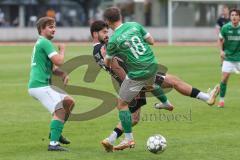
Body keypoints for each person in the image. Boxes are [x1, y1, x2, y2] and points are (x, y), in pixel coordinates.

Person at [101, 7, 220, 151]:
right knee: (166, 82)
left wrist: (110, 53)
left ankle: (128, 139)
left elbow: (108, 64)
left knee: (122, 104)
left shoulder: (113, 40)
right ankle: (200, 98)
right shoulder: (134, 25)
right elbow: (151, 41)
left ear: (107, 21)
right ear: (120, 16)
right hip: (152, 65)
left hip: (137, 73)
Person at [28, 17, 75, 151]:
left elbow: (53, 68)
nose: (54, 29)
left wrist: (63, 74)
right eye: (50, 27)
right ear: (42, 29)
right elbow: (59, 61)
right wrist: (62, 49)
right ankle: (53, 144)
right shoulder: (45, 43)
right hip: (40, 85)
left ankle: (56, 133)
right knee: (59, 110)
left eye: (54, 26)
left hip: (42, 85)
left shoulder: (42, 43)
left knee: (69, 102)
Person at [218, 8, 240, 108]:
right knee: (224, 79)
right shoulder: (225, 28)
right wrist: (221, 51)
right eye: (232, 15)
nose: (234, 17)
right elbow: (220, 39)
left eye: (236, 15)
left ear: (239, 17)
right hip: (228, 57)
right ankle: (221, 100)